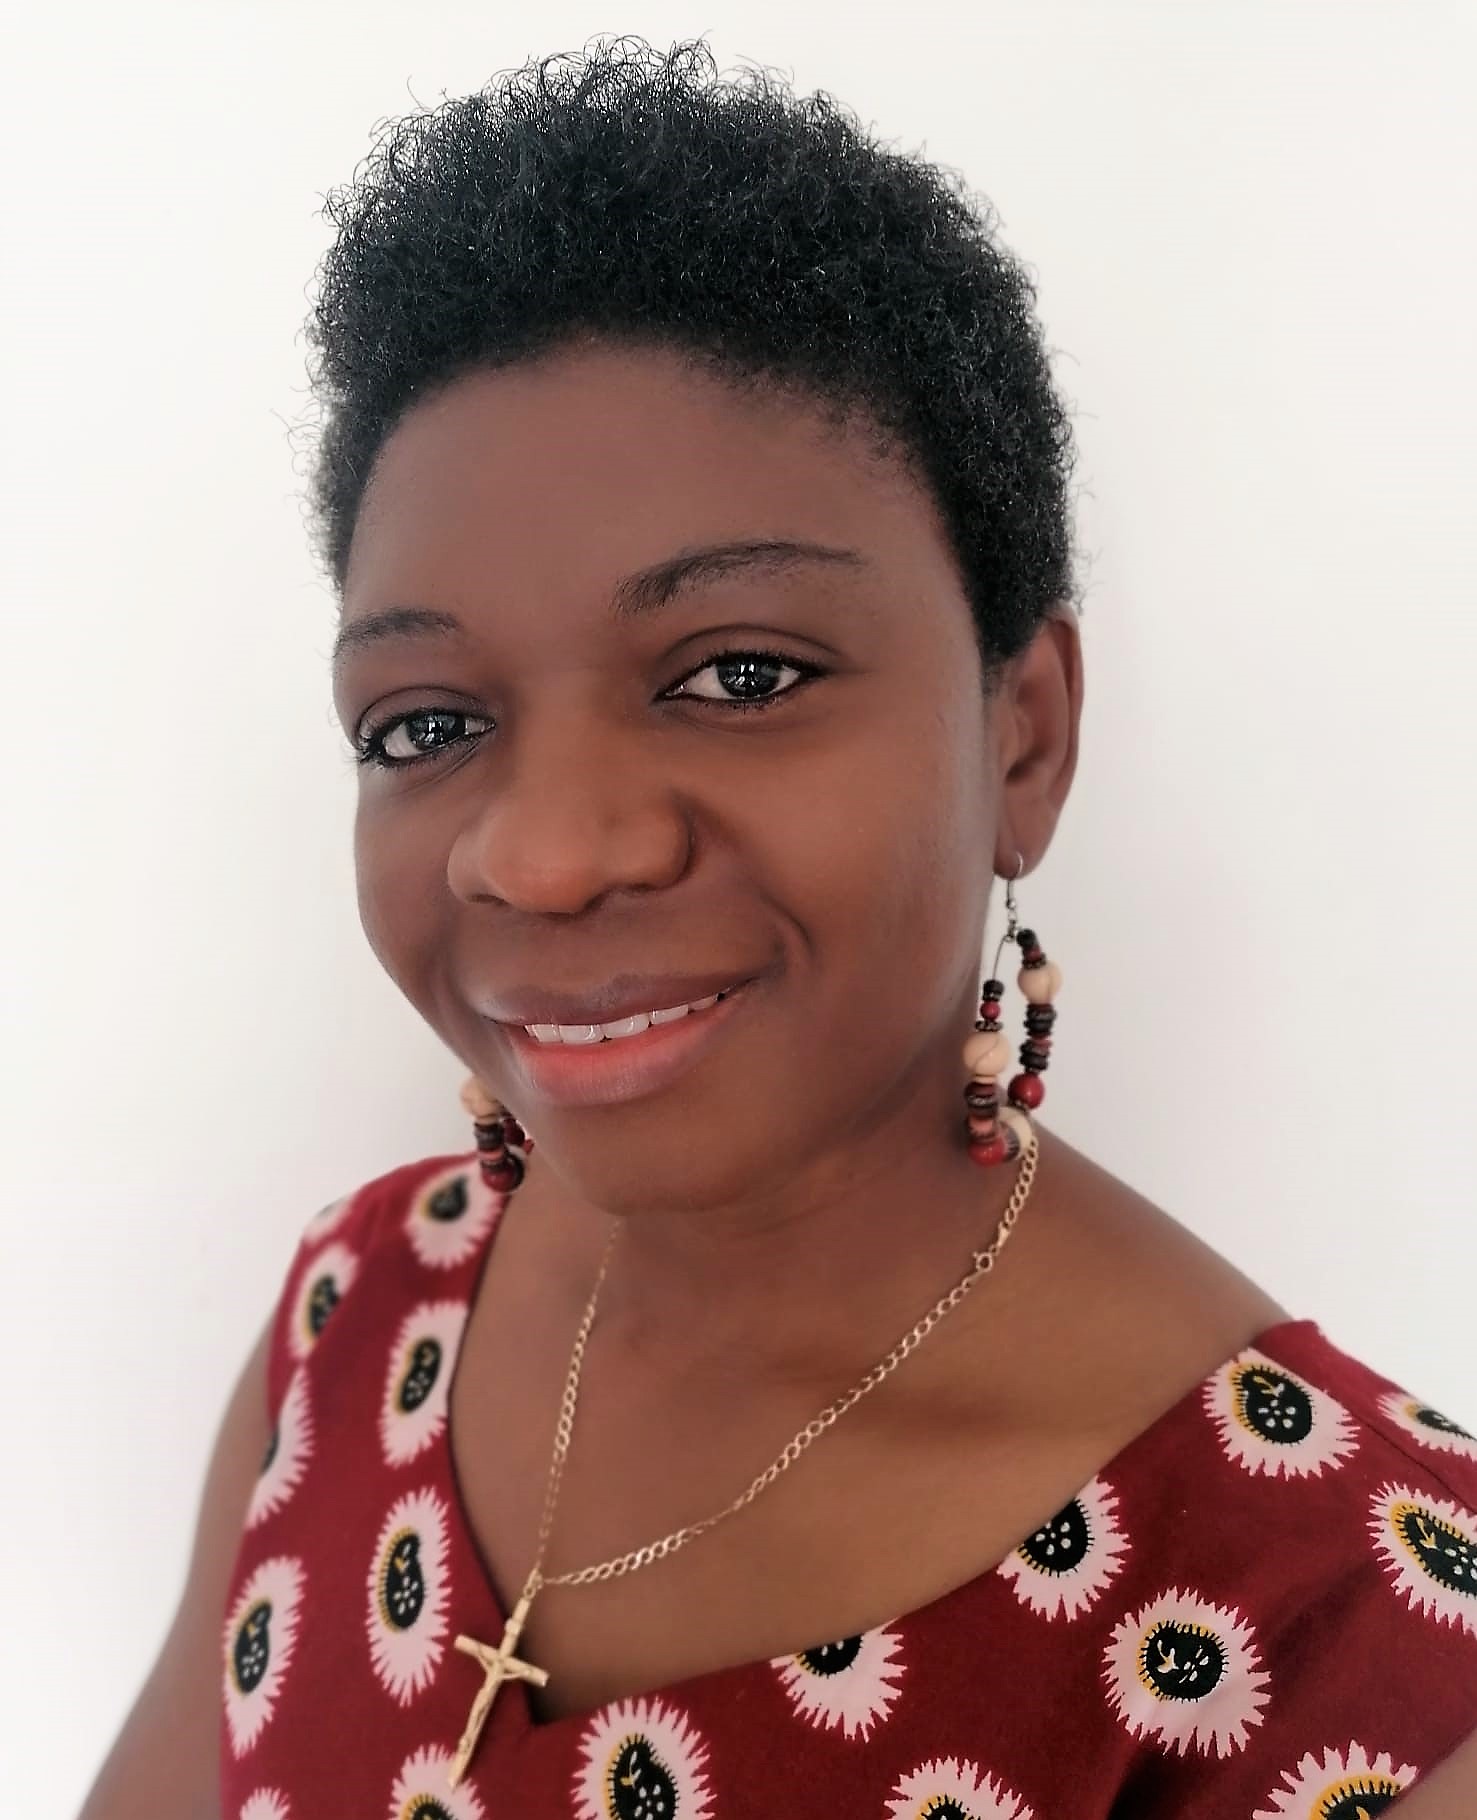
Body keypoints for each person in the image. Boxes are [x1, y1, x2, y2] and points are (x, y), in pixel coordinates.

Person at [81, 37, 1477, 1820]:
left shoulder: (1340, 1643)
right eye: (425, 723)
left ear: (1023, 729)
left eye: (738, 673)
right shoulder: (360, 1312)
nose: (548, 853)